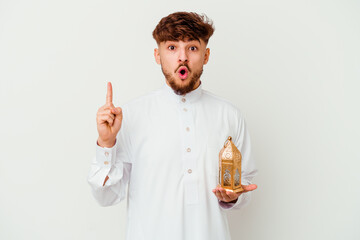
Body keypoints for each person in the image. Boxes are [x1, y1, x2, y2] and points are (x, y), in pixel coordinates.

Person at [88, 11, 258, 240]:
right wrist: (106, 143)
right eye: (171, 48)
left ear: (206, 56)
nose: (182, 57)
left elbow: (244, 184)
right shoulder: (130, 116)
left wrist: (234, 196)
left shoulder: (229, 116)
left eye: (192, 48)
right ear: (157, 55)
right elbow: (105, 197)